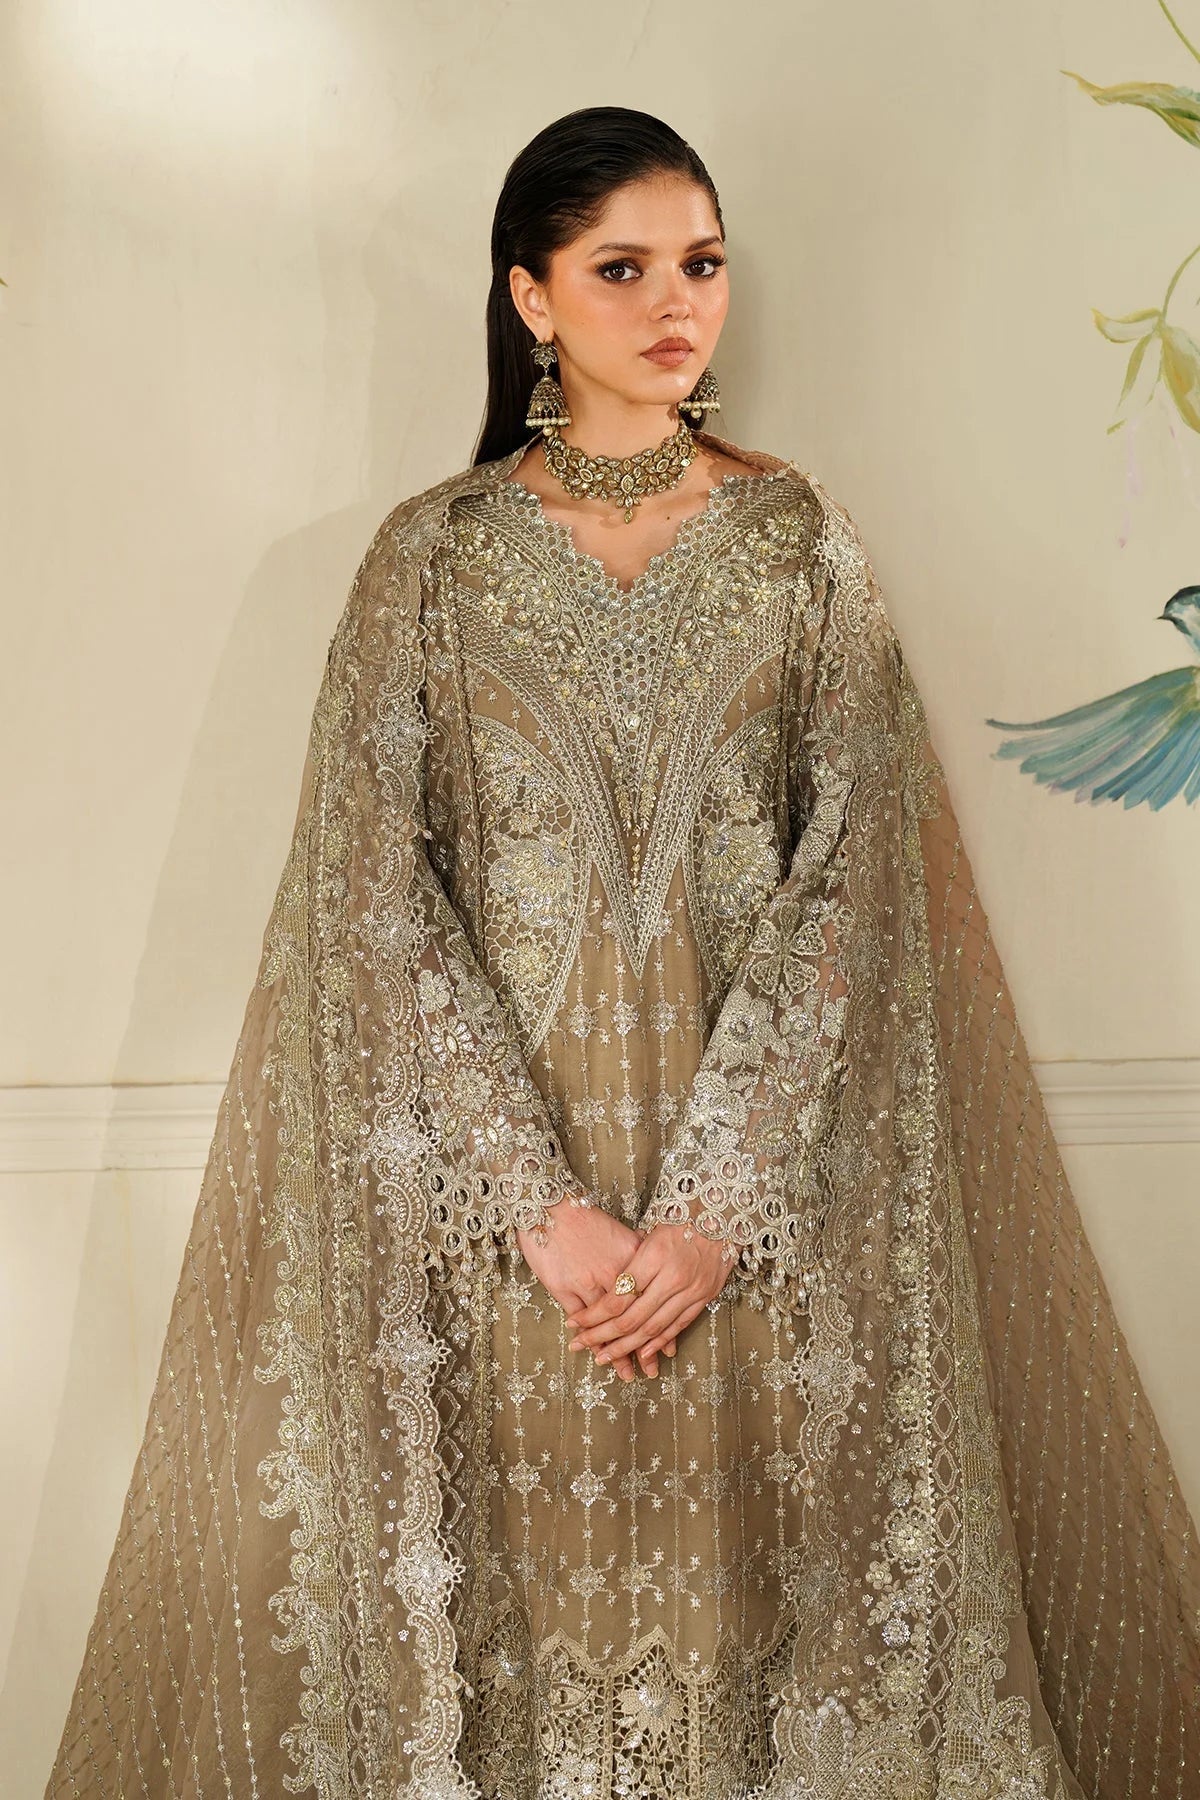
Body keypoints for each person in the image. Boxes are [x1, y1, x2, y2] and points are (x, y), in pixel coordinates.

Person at [47, 104, 1200, 1800]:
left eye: (704, 264)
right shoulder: (430, 563)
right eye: (624, 268)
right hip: (512, 1247)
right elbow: (375, 907)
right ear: (530, 295)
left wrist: (715, 1212)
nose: (678, 304)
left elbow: (854, 890)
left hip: (759, 1238)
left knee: (761, 1638)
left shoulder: (801, 546)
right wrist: (544, 1209)